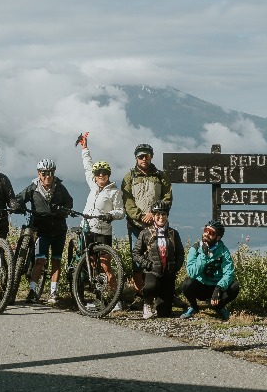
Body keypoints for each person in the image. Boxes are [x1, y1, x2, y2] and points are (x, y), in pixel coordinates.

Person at [77, 131, 125, 309]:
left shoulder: (114, 192)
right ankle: (97, 299)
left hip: (103, 232)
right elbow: (87, 166)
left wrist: (110, 215)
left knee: (106, 267)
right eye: (98, 173)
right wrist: (85, 148)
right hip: (87, 229)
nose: (101, 176)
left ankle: (116, 300)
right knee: (90, 266)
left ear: (108, 175)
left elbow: (121, 212)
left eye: (104, 173)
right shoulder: (93, 185)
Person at [15, 158, 74, 304]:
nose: (48, 176)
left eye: (51, 173)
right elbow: (19, 198)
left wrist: (63, 210)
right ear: (39, 173)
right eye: (44, 173)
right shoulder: (33, 188)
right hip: (41, 230)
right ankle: (32, 291)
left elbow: (69, 201)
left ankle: (53, 293)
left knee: (56, 261)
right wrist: (16, 206)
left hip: (59, 229)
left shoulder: (60, 187)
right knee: (40, 261)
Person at [121, 143, 172, 301]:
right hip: (136, 225)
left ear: (151, 157)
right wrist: (139, 215)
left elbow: (167, 197)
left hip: (156, 225)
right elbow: (127, 200)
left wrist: (153, 214)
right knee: (137, 259)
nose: (144, 159)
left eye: (147, 156)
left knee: (157, 257)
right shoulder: (130, 176)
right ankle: (139, 294)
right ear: (136, 158)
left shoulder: (160, 175)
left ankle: (155, 293)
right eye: (141, 156)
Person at [132, 203, 184, 318]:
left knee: (164, 314)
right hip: (152, 272)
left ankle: (159, 302)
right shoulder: (145, 233)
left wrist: (175, 268)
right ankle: (147, 303)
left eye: (163, 214)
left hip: (168, 275)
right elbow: (136, 254)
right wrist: (148, 265)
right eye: (157, 215)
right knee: (151, 286)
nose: (161, 217)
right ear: (153, 216)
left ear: (167, 215)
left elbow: (180, 254)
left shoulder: (173, 233)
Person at [182, 220, 239, 320]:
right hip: (201, 286)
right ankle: (194, 307)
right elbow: (191, 272)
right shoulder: (195, 249)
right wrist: (203, 256)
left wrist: (219, 288)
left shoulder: (223, 251)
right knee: (187, 284)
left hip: (216, 287)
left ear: (218, 237)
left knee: (235, 286)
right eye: (206, 230)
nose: (206, 234)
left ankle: (218, 307)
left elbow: (229, 273)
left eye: (211, 233)